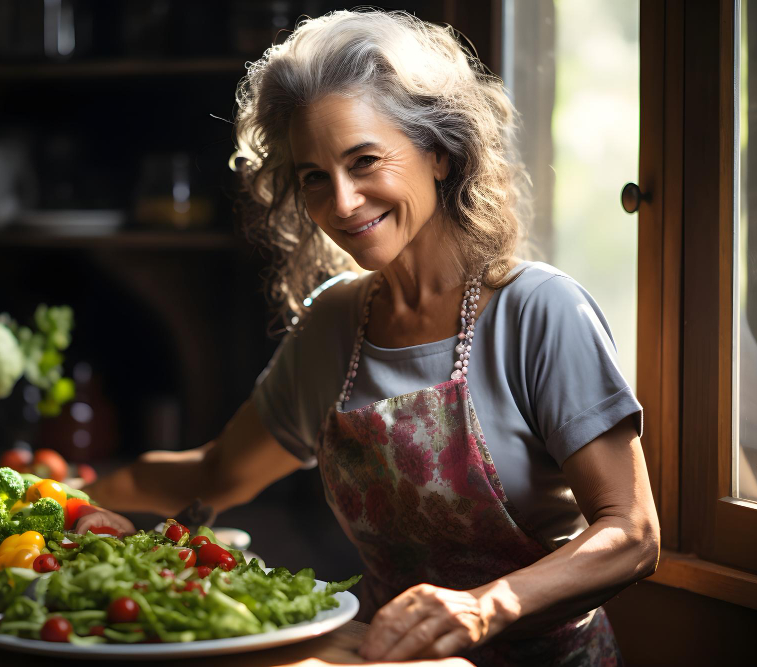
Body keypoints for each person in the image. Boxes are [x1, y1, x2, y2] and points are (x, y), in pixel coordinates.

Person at [79, 9, 660, 665]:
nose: (345, 203)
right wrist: (77, 494)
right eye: (314, 178)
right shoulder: (332, 323)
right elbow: (219, 473)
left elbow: (634, 532)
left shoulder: (538, 311)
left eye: (365, 161)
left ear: (438, 152)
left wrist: (486, 603)